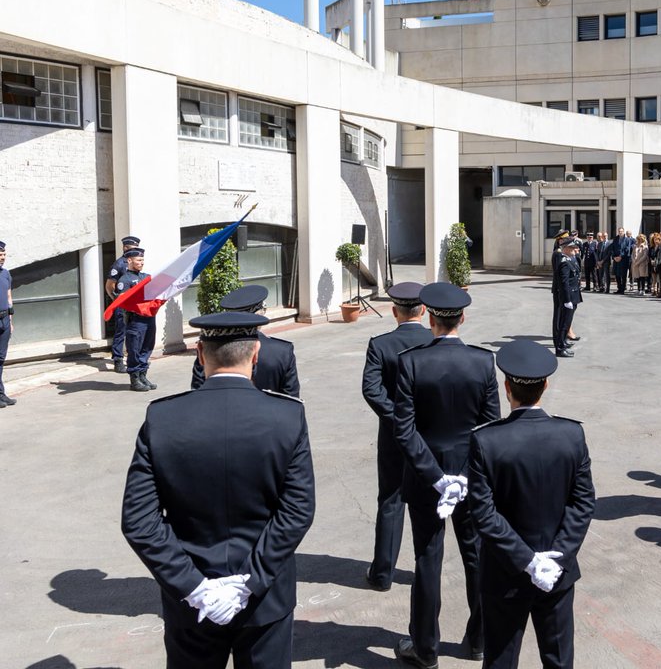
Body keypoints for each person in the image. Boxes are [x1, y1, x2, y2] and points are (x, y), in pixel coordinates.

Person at [121, 311, 315, 668]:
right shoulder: (287, 416)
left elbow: (139, 520)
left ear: (200, 353)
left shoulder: (162, 417)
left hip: (190, 602)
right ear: (256, 354)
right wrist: (249, 582)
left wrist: (195, 587)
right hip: (264, 598)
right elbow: (297, 511)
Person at [468, 339, 595, 669]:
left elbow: (483, 514)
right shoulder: (571, 435)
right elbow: (582, 503)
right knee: (558, 659)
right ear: (546, 385)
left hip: (505, 572)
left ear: (506, 387)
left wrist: (527, 561)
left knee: (501, 659)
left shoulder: (486, 440)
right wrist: (557, 557)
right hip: (557, 572)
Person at [393, 283, 500, 668]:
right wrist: (468, 477)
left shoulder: (412, 361)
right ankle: (479, 641)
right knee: (476, 557)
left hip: (427, 478)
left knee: (427, 558)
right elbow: (490, 429)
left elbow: (404, 430)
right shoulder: (483, 361)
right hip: (472, 478)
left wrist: (438, 478)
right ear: (462, 318)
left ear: (431, 319)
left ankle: (425, 648)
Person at [361, 282, 434, 591]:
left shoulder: (380, 344)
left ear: (394, 312)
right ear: (425, 311)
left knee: (390, 500)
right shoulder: (436, 341)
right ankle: (426, 572)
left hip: (393, 436)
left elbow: (372, 390)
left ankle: (382, 573)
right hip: (430, 436)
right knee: (428, 505)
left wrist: (398, 419)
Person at [189, 285, 299, 395]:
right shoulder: (282, 352)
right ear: (259, 314)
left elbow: (197, 393)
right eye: (264, 309)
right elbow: (291, 400)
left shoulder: (209, 348)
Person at [115, 247, 157, 392]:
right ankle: (134, 378)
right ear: (129, 260)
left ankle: (143, 374)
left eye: (143, 260)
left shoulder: (146, 277)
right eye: (139, 260)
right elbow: (121, 299)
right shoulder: (124, 279)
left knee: (147, 347)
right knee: (135, 349)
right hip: (135, 320)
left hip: (149, 317)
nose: (142, 262)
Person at [105, 235, 141, 373]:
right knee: (121, 331)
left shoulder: (135, 262)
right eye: (133, 248)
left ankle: (134, 357)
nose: (136, 250)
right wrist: (117, 301)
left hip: (135, 305)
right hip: (123, 304)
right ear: (125, 247)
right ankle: (118, 359)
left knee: (135, 331)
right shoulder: (119, 264)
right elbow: (109, 286)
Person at [554, 240, 583, 358]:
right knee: (564, 323)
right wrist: (567, 300)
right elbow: (564, 283)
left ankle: (563, 344)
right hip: (569, 297)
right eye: (571, 248)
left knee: (567, 322)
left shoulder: (570, 260)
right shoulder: (564, 262)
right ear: (565, 249)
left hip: (573, 295)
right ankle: (560, 348)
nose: (574, 250)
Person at [0, 240, 12, 408]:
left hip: (4, 320)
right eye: (0, 255)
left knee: (1, 358)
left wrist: (11, 319)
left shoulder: (6, 274)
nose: (2, 257)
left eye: (3, 254)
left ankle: (1, 394)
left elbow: (9, 298)